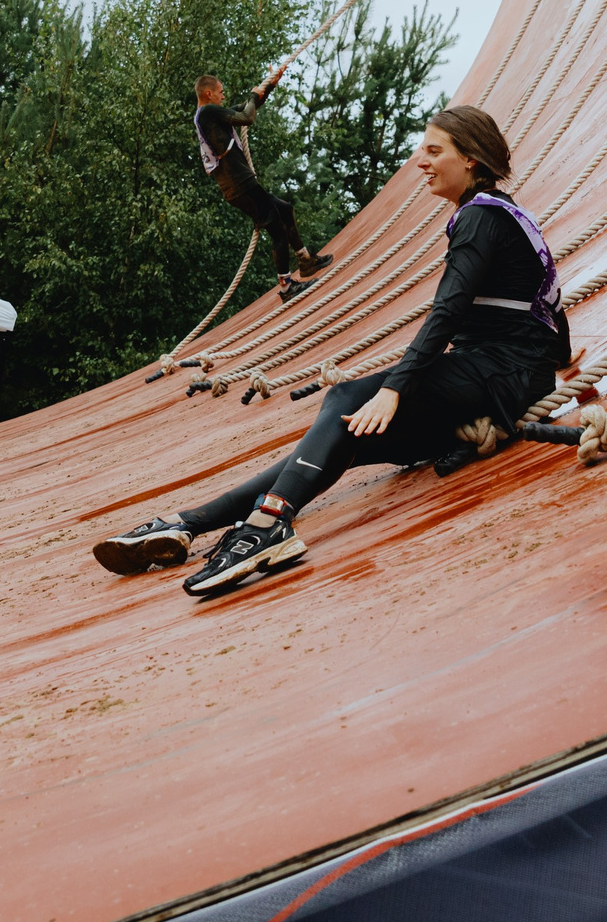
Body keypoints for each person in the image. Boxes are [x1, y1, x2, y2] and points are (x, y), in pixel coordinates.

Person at [94, 104, 571, 595]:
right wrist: (559, 360)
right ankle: (189, 522)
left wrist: (393, 390)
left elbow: (447, 311)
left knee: (346, 399)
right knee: (342, 439)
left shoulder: (479, 218)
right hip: (508, 373)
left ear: (470, 158)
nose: (420, 161)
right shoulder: (504, 213)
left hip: (500, 373)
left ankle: (267, 527)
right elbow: (547, 301)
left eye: (433, 151)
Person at [194, 74, 331, 301]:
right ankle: (286, 287)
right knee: (277, 229)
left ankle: (305, 260)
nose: (223, 96)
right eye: (220, 92)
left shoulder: (209, 115)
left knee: (284, 209)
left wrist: (269, 86)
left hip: (240, 184)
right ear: (209, 93)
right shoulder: (208, 112)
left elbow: (247, 107)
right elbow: (246, 117)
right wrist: (252, 96)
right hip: (239, 184)